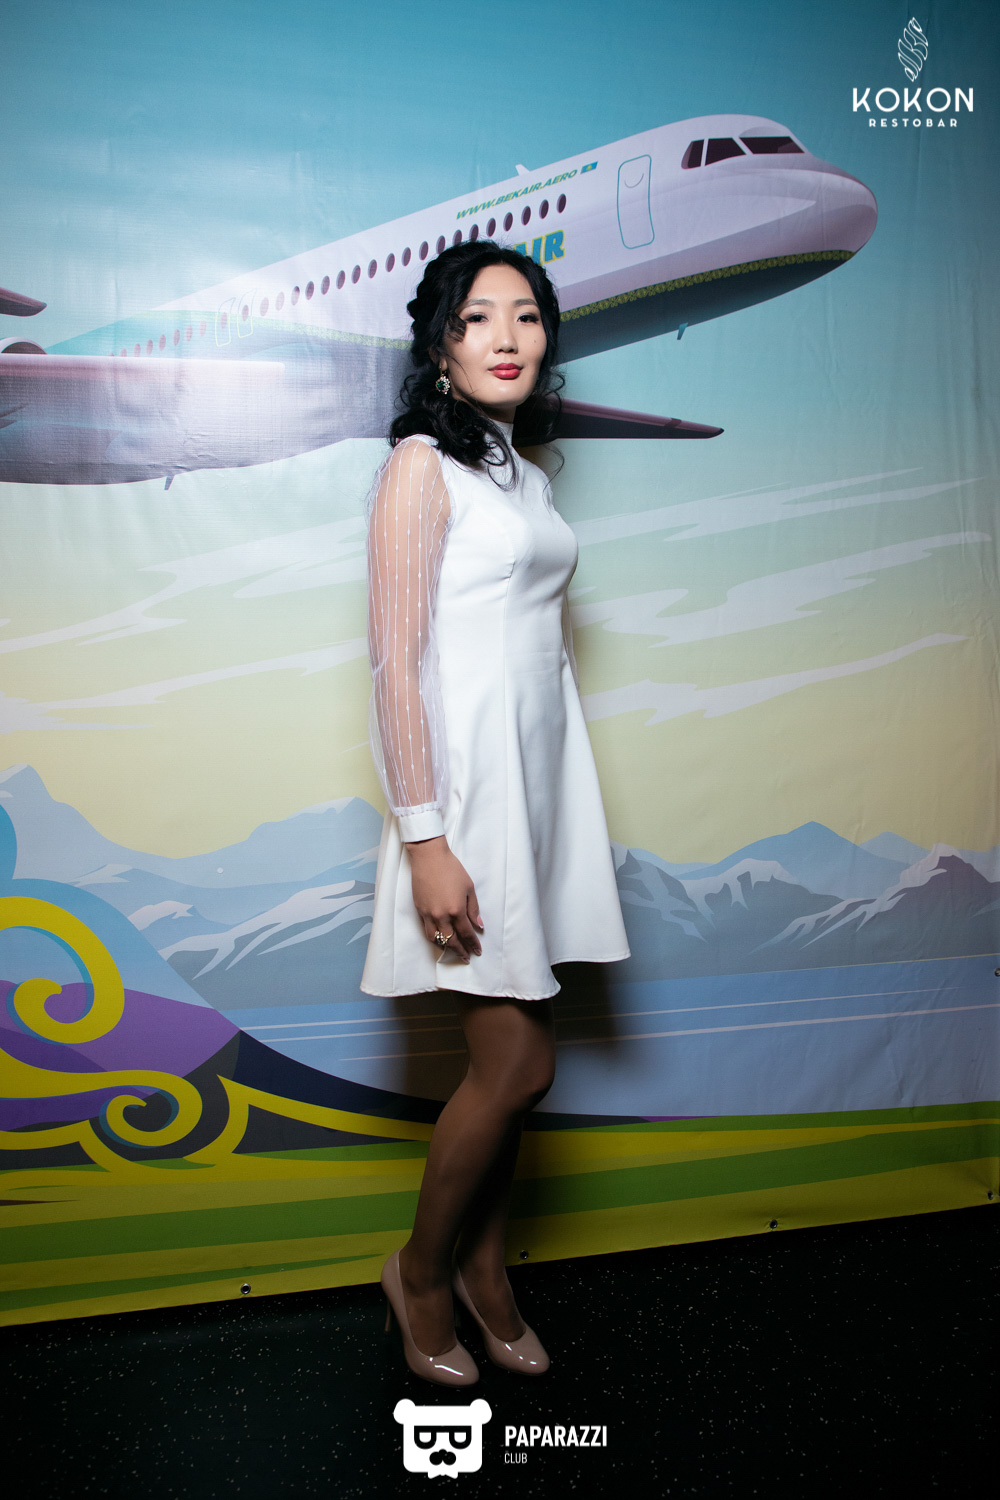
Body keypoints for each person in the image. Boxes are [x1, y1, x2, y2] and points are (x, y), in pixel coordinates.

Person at [361, 241, 629, 1386]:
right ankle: (421, 1275)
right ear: (441, 347)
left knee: (529, 1068)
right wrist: (426, 838)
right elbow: (396, 666)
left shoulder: (526, 474)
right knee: (515, 1067)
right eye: (478, 318)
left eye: (527, 314)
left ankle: (483, 1269)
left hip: (537, 790)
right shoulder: (420, 468)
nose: (508, 337)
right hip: (463, 802)